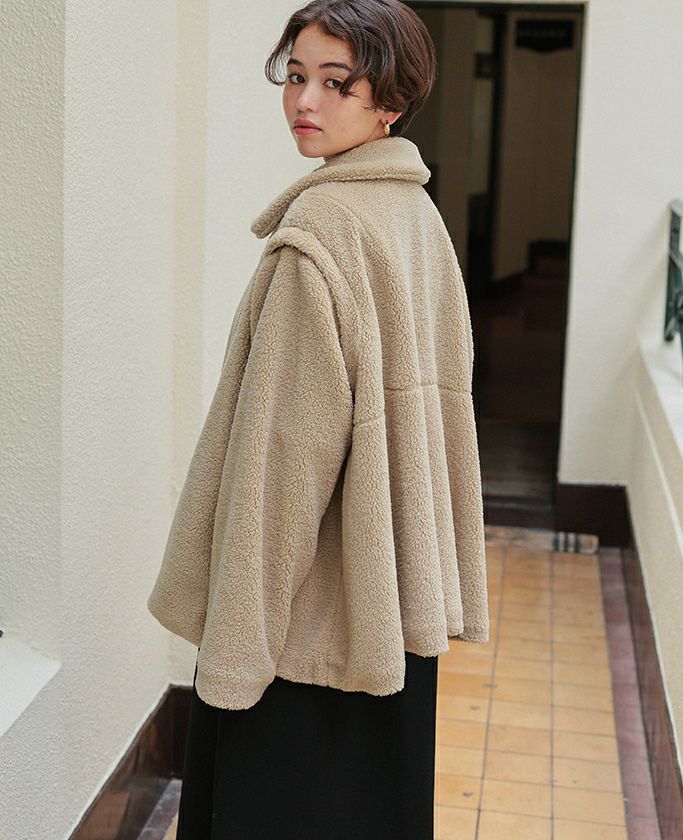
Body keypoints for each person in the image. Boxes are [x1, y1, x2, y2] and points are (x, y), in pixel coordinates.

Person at [146, 1, 489, 837]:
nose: (305, 101)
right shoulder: (417, 219)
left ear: (391, 101)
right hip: (391, 617)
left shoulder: (320, 235)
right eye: (296, 76)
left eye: (337, 82)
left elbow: (282, 470)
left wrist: (235, 658)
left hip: (305, 643)